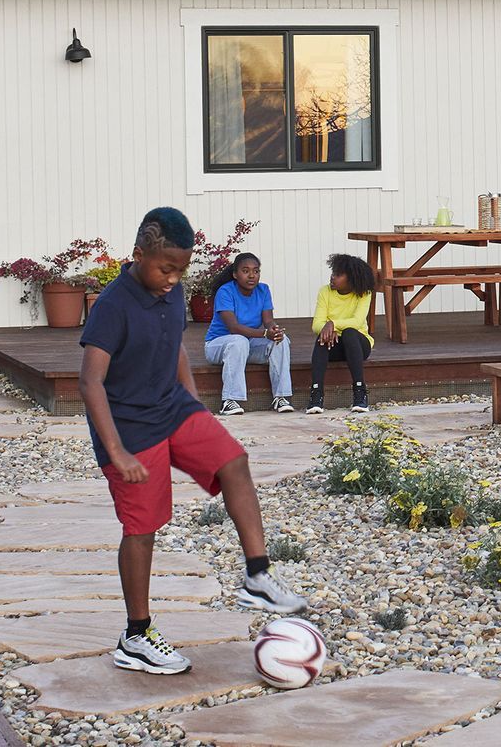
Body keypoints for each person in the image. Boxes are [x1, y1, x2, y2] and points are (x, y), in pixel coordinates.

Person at [80, 207, 307, 675]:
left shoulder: (171, 288)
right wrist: (118, 451)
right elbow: (90, 383)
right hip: (129, 427)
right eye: (166, 268)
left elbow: (175, 345)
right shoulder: (112, 306)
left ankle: (258, 574)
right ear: (138, 254)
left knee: (233, 461)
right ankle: (136, 635)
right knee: (143, 527)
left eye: (180, 270)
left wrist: (192, 401)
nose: (173, 279)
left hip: (172, 408)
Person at [202, 252, 292, 415]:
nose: (252, 275)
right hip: (218, 345)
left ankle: (281, 397)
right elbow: (234, 327)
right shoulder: (226, 291)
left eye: (256, 271)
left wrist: (274, 330)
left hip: (247, 345)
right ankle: (229, 400)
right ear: (235, 274)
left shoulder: (263, 290)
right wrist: (265, 333)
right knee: (238, 340)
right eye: (246, 271)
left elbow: (268, 320)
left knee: (282, 340)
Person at [307, 253, 377, 414]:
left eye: (338, 275)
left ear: (352, 280)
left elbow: (357, 322)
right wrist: (327, 329)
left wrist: (332, 324)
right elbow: (316, 324)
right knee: (322, 337)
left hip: (358, 346)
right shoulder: (325, 292)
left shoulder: (364, 293)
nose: (332, 277)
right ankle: (316, 393)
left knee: (350, 333)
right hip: (334, 344)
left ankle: (360, 392)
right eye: (333, 273)